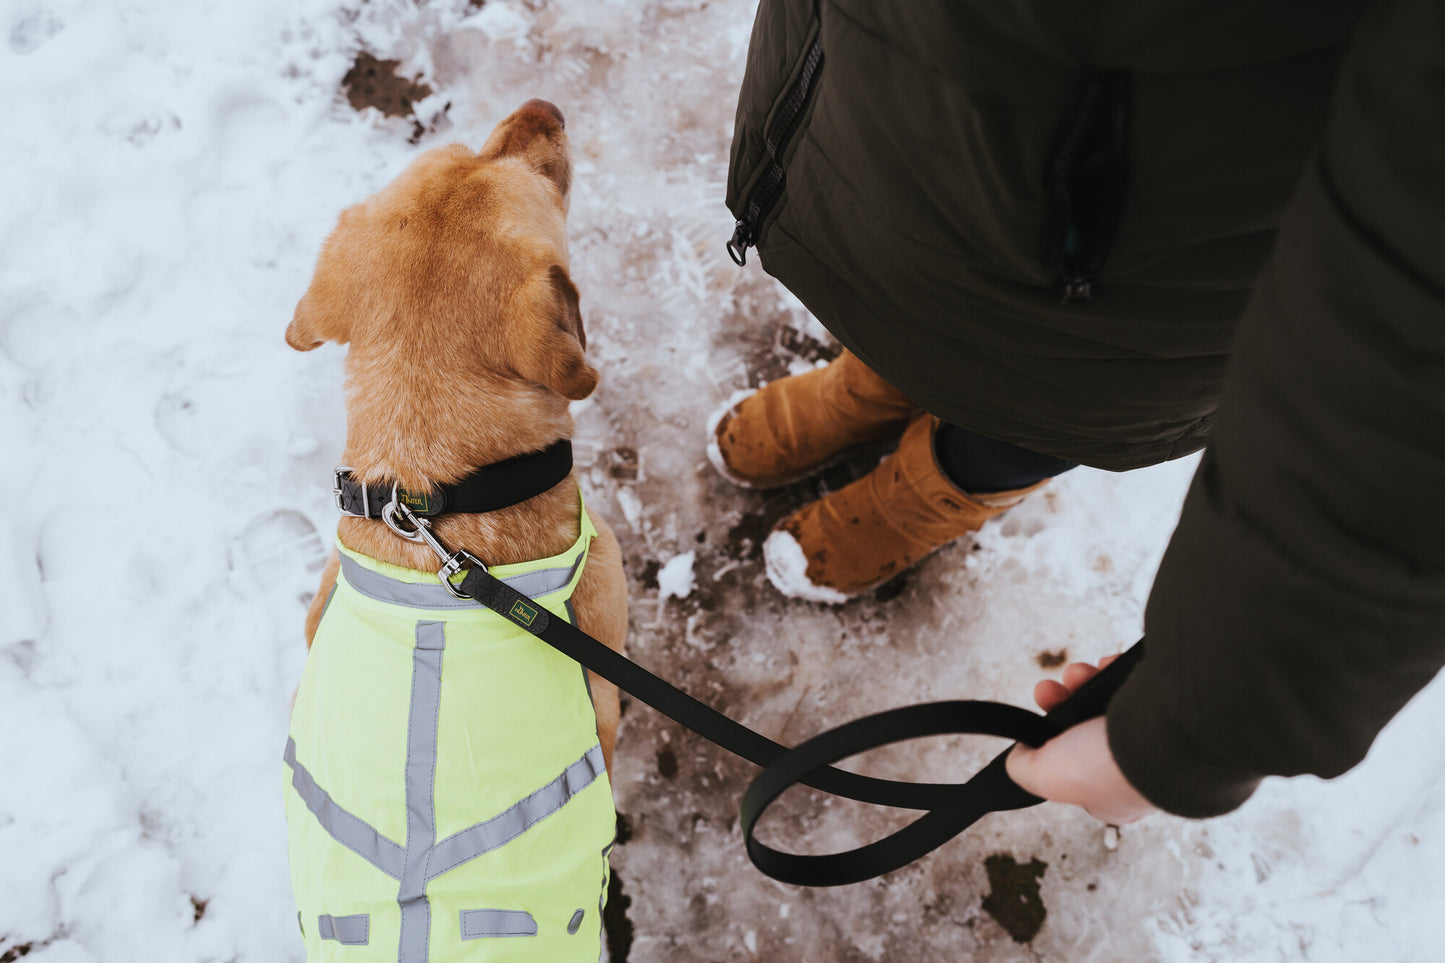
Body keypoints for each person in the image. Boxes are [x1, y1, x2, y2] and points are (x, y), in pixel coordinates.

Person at [709, 0, 1445, 821]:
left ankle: (927, 494)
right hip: (877, 131)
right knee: (894, 308)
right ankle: (873, 388)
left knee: (1032, 414)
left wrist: (1200, 724)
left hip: (1148, 280)